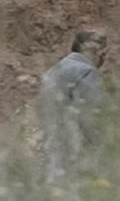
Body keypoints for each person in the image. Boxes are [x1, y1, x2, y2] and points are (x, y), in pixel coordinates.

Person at [40, 30, 109, 181]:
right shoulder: (85, 71)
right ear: (92, 51)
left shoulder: (52, 71)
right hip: (76, 151)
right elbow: (92, 116)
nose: (103, 59)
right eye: (102, 53)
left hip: (54, 148)